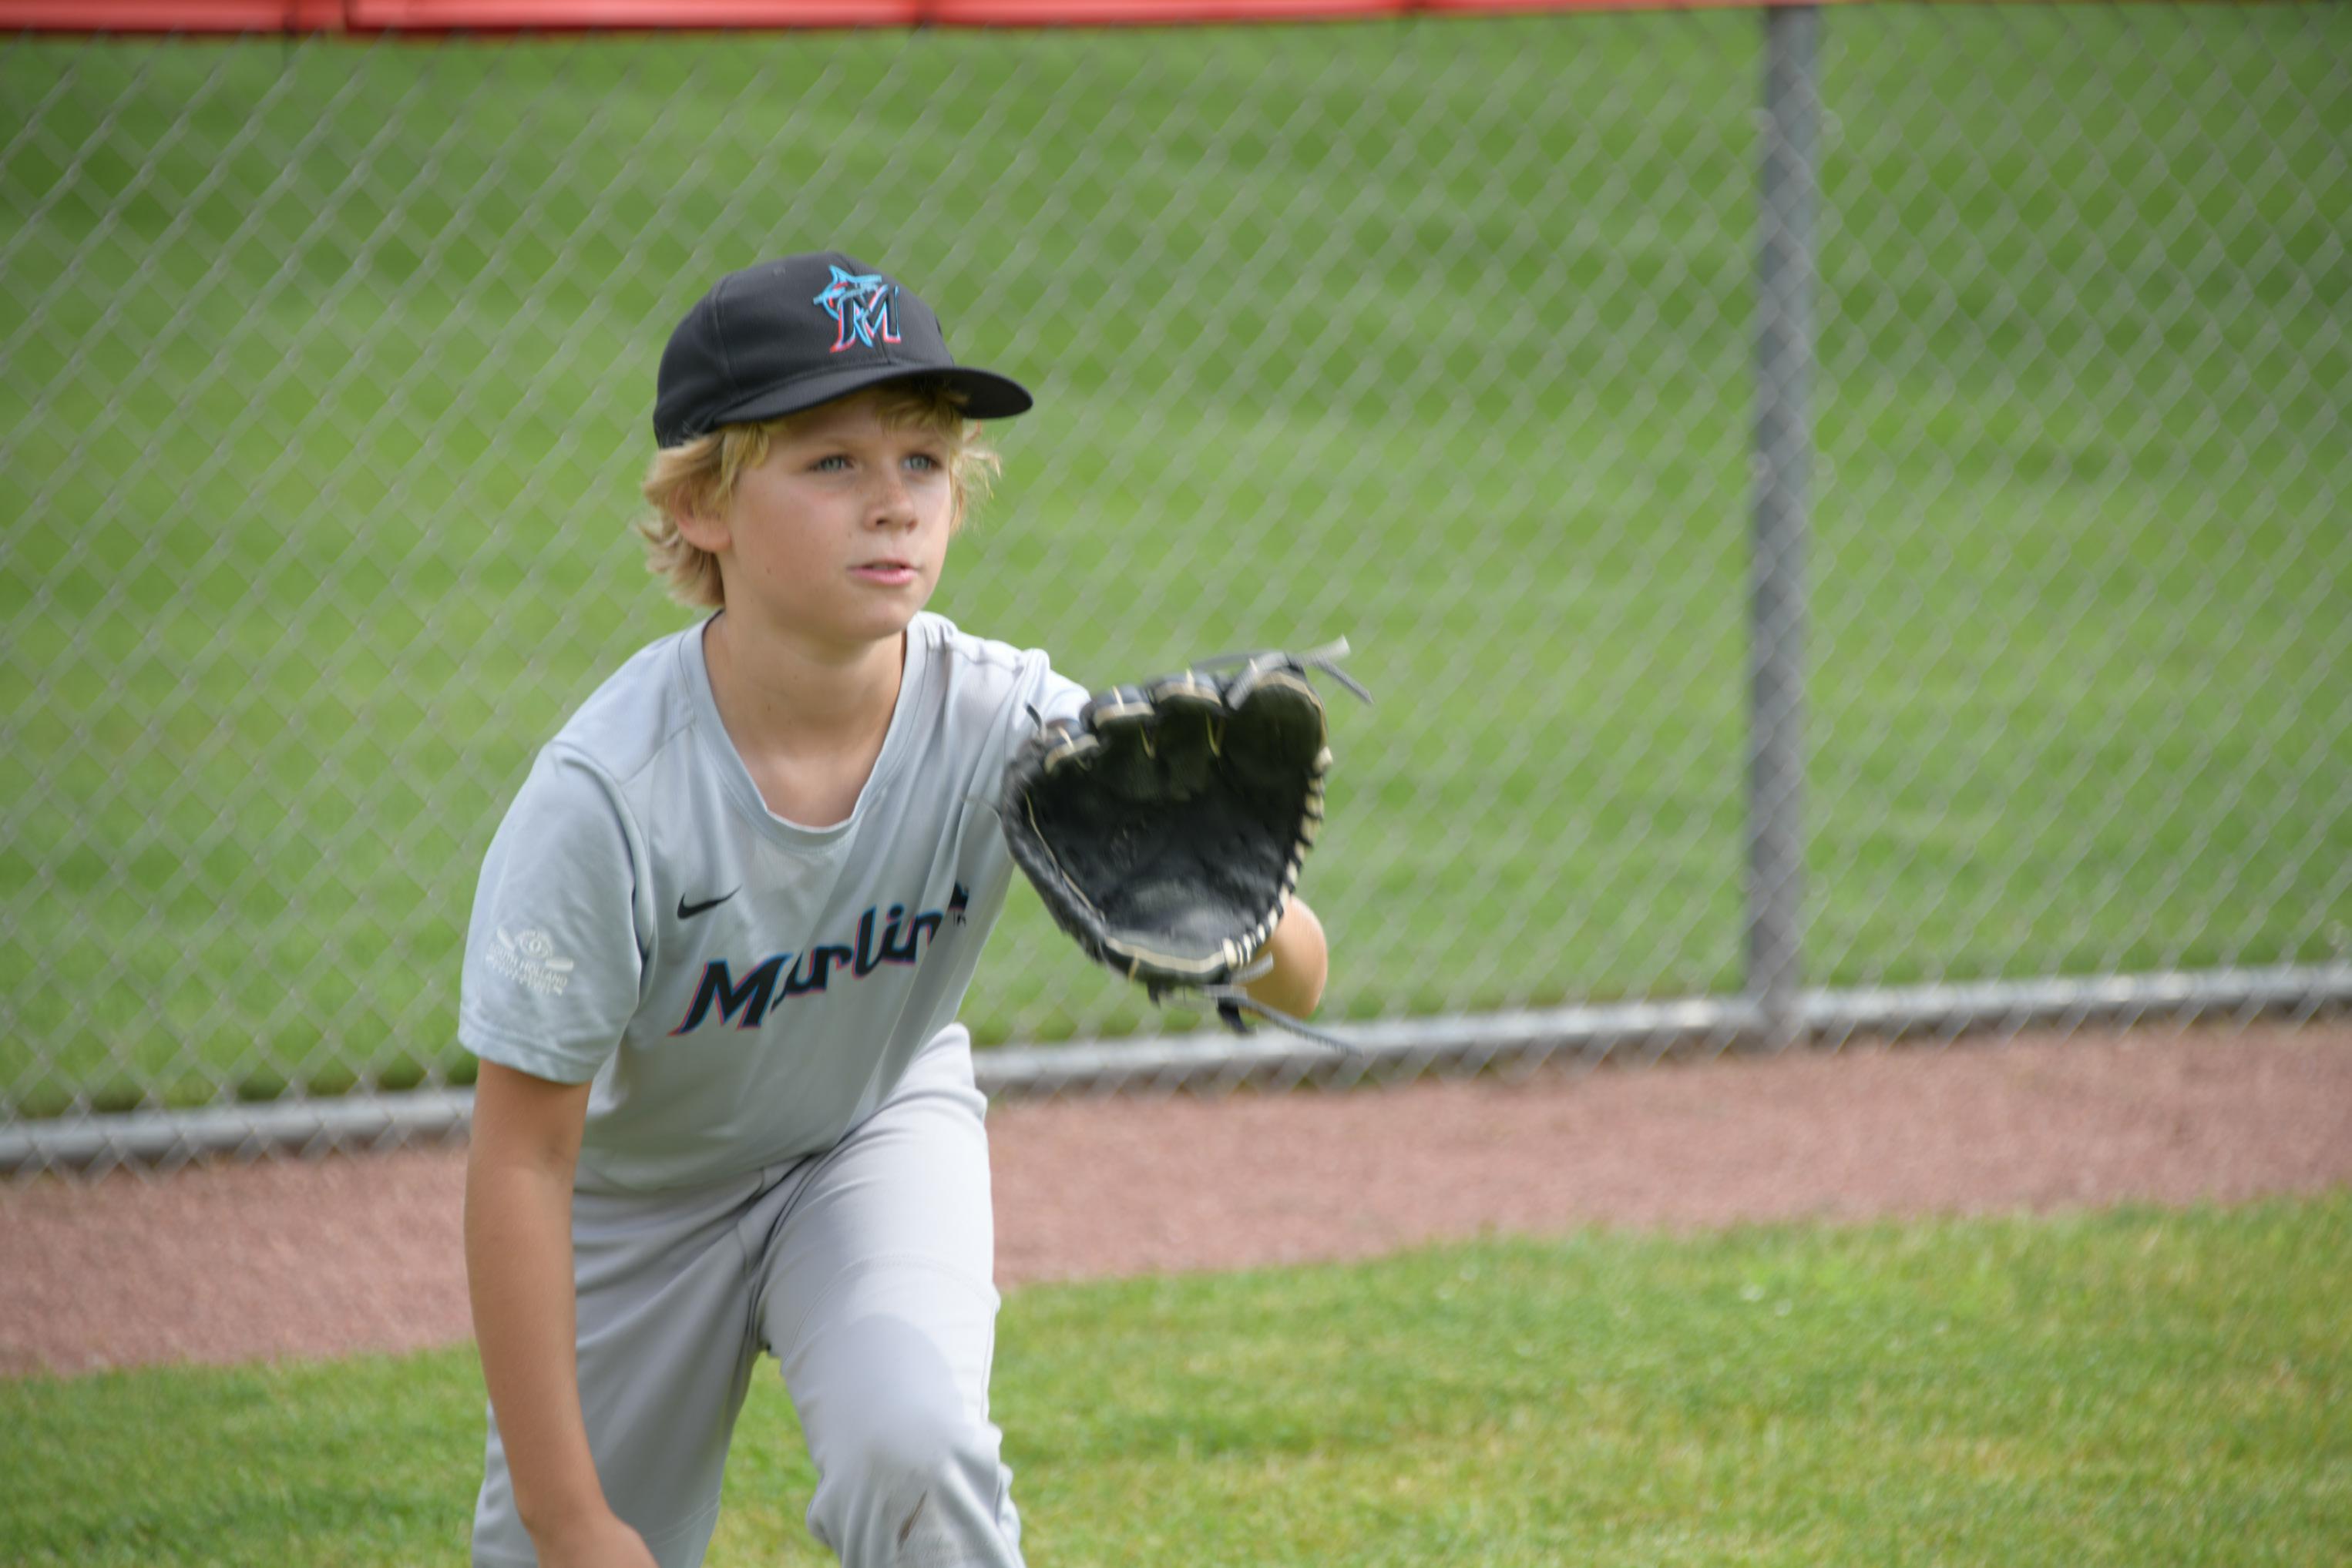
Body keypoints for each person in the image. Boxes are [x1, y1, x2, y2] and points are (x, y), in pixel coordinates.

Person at [458, 251, 1329, 1568]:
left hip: (872, 1134)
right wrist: (567, 1516)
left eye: (924, 461)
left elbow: (1300, 977)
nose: (893, 503)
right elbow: (521, 1158)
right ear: (702, 505)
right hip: (639, 1202)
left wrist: (1230, 919)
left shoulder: (1006, 720)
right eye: (833, 462)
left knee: (918, 1453)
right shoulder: (610, 797)